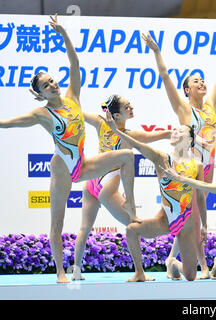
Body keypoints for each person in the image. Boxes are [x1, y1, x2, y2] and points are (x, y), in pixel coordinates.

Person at [0, 15, 138, 283]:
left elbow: (74, 62)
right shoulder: (42, 113)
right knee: (57, 223)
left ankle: (131, 205)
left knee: (126, 156)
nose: (52, 85)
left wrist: (63, 32)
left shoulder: (73, 96)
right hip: (62, 169)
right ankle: (61, 272)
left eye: (51, 80)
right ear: (40, 95)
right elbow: (8, 124)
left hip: (83, 165)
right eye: (45, 86)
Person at [142, 32, 216, 279]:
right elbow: (164, 77)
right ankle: (203, 266)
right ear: (187, 89)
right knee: (194, 218)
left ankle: (172, 259)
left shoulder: (211, 105)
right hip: (189, 167)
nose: (202, 83)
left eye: (202, 80)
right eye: (196, 81)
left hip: (208, 165)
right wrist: (156, 51)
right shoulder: (184, 110)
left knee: (193, 215)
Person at [71, 94, 171, 280]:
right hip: (107, 186)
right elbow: (76, 111)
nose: (131, 108)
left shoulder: (102, 123)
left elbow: (74, 111)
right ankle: (140, 272)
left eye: (130, 105)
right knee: (135, 227)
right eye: (127, 107)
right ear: (116, 116)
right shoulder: (124, 133)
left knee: (85, 228)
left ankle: (76, 271)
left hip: (92, 183)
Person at [102, 110, 206, 282]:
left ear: (190, 139)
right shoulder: (161, 158)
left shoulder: (197, 165)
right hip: (165, 219)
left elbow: (201, 197)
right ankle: (139, 272)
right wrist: (116, 131)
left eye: (180, 131)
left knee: (190, 276)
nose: (174, 132)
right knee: (131, 230)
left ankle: (172, 262)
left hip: (186, 224)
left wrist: (204, 225)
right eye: (174, 130)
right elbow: (137, 145)